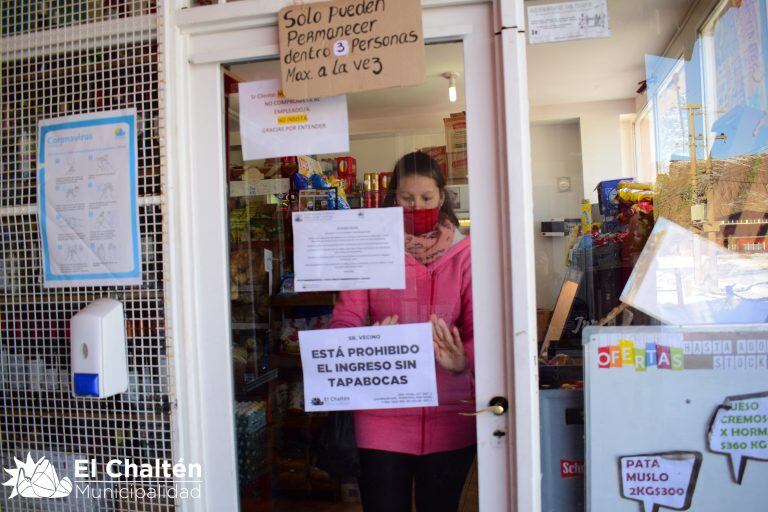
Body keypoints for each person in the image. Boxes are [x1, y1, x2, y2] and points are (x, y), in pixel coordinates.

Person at [328, 151, 476, 512]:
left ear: (442, 196)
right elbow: (344, 318)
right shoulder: (370, 248)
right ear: (393, 198)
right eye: (407, 199)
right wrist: (363, 342)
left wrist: (463, 359)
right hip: (380, 418)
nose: (417, 206)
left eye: (426, 198)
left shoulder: (466, 254)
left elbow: (482, 328)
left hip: (450, 417)